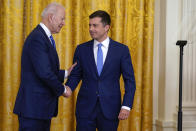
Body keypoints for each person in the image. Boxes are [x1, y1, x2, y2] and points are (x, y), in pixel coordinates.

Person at [65, 10, 136, 131]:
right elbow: (76, 75)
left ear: (106, 27)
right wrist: (68, 88)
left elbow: (130, 80)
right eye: (89, 25)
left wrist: (126, 105)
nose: (91, 29)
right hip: (85, 109)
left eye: (95, 25)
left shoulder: (121, 50)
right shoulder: (81, 49)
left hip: (110, 109)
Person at [13, 3, 75, 131]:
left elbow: (41, 69)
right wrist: (63, 90)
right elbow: (44, 73)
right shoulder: (38, 38)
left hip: (39, 110)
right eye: (62, 18)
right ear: (51, 17)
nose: (63, 23)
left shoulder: (43, 36)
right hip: (33, 110)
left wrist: (65, 73)